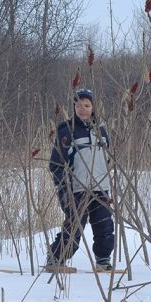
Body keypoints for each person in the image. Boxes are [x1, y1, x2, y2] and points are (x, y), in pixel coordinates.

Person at [46, 88, 115, 272]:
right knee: (75, 225)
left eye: (86, 105)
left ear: (93, 107)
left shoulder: (101, 130)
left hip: (101, 187)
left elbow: (107, 158)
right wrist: (64, 187)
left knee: (105, 225)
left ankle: (103, 260)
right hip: (76, 188)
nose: (82, 109)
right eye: (78, 105)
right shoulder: (66, 130)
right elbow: (56, 164)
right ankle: (55, 259)